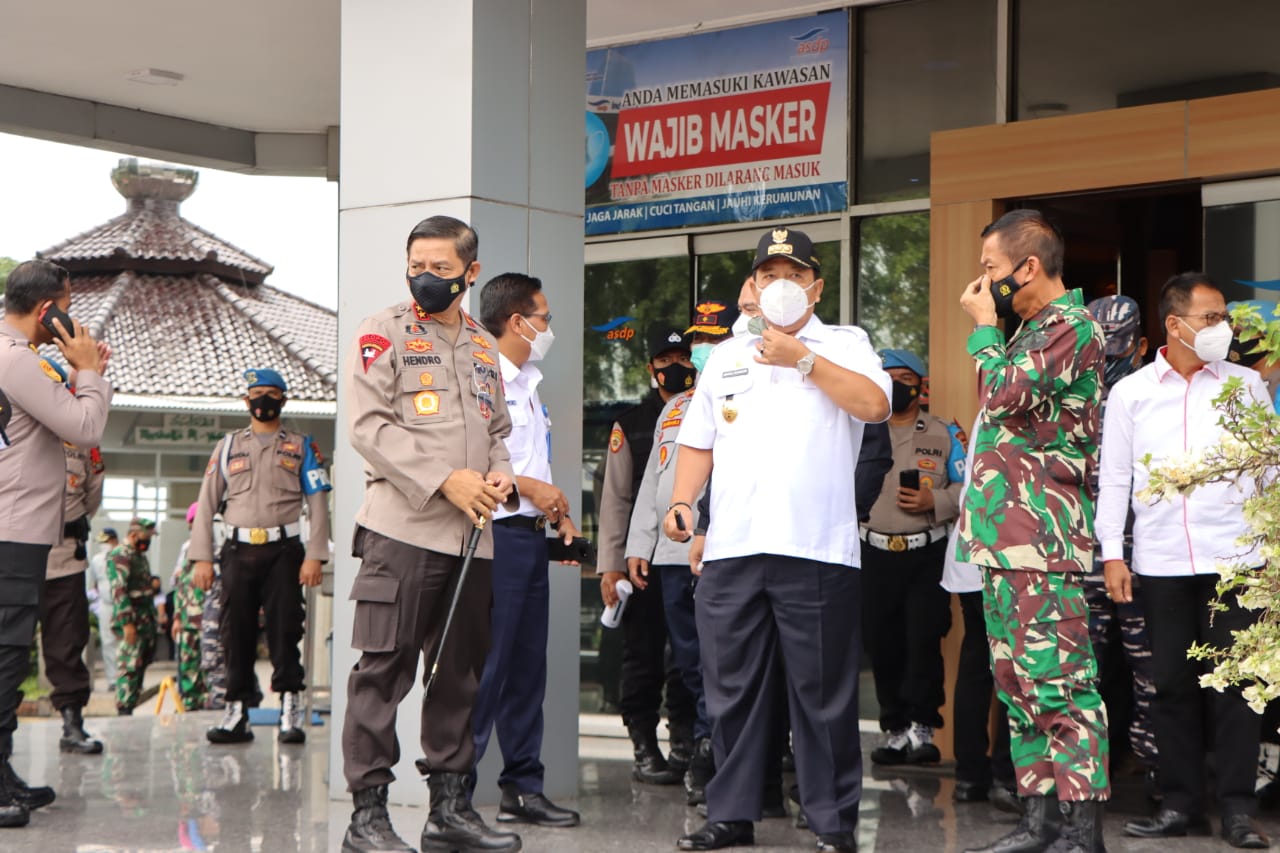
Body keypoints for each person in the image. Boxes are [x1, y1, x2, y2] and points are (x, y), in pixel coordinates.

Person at [664, 226, 891, 853]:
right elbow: (698, 440)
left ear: (815, 286)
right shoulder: (727, 357)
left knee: (820, 694)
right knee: (730, 689)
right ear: (753, 286)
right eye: (768, 276)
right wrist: (685, 503)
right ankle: (731, 812)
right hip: (733, 548)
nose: (779, 286)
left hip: (815, 549)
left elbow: (874, 406)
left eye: (792, 275)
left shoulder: (847, 345)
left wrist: (805, 361)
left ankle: (831, 822)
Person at [340, 215, 520, 853]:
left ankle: (448, 811)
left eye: (442, 269)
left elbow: (498, 433)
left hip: (471, 538)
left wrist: (498, 480)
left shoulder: (480, 343)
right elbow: (369, 427)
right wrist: (448, 479)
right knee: (383, 671)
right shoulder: (381, 332)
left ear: (470, 273)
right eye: (418, 265)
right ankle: (367, 818)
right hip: (403, 531)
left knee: (459, 677)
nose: (427, 278)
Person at [1101, 273, 1272, 850]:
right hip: (1161, 561)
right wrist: (1111, 554)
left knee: (1235, 687)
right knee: (1169, 684)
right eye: (1211, 318)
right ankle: (1179, 804)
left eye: (1224, 317)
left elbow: (1268, 472)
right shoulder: (1132, 392)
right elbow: (1116, 478)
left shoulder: (1247, 386)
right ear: (1174, 325)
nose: (1222, 328)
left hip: (1237, 561)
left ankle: (1238, 810)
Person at [956, 209, 1109, 853]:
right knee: (1017, 683)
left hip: (1043, 543)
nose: (982, 282)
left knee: (1062, 685)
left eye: (990, 268)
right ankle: (1038, 821)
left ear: (1028, 267)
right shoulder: (1026, 332)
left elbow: (1003, 394)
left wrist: (985, 330)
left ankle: (1081, 831)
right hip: (1003, 539)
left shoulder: (1072, 327)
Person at [0, 258, 111, 827]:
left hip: (11, 525)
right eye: (67, 305)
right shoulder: (19, 361)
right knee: (5, 657)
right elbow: (85, 428)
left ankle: (4, 772)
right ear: (48, 309)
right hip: (14, 529)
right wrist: (88, 371)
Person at [469, 272, 581, 828]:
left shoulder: (528, 384)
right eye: (545, 317)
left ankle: (522, 787)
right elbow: (471, 466)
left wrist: (551, 506)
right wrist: (532, 489)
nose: (548, 327)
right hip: (494, 539)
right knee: (487, 668)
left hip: (530, 538)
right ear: (518, 322)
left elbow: (530, 465)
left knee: (526, 668)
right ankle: (456, 792)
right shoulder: (481, 379)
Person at [625, 300, 739, 807]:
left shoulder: (748, 394)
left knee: (729, 661)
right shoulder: (676, 408)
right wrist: (637, 546)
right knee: (690, 662)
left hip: (726, 553)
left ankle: (732, 756)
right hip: (673, 559)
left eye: (714, 340)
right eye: (699, 341)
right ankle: (703, 749)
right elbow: (655, 482)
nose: (701, 350)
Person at [190, 367, 332, 745]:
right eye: (256, 394)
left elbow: (318, 503)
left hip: (284, 552)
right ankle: (237, 711)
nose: (262, 400)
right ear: (246, 400)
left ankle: (290, 710)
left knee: (286, 630)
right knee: (234, 632)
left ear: (283, 400)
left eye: (271, 393)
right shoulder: (227, 446)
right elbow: (205, 504)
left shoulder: (302, 446)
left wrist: (315, 554)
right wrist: (201, 557)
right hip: (237, 551)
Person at [597, 325, 698, 786]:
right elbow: (616, 499)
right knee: (642, 654)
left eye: (682, 360)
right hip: (642, 561)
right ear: (650, 368)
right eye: (665, 361)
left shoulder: (707, 411)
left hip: (690, 555)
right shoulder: (632, 422)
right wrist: (610, 564)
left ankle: (685, 743)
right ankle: (642, 744)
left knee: (687, 656)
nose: (675, 368)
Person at [862, 348, 965, 767]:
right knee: (881, 644)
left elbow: (970, 489)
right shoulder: (860, 432)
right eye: (888, 377)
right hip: (872, 553)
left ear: (921, 385)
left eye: (905, 377)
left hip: (926, 553)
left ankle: (924, 729)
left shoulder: (945, 434)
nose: (897, 384)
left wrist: (933, 499)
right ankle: (893, 730)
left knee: (923, 641)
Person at [1083, 295, 1158, 797]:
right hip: (1083, 559)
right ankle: (1082, 782)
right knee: (1077, 672)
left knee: (1153, 673)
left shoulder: (1155, 396)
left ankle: (1161, 780)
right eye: (1100, 353)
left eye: (1117, 352)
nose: (1108, 364)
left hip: (1147, 557)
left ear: (1141, 346)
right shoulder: (1071, 397)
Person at [38, 360, 106, 754]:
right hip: (14, 556)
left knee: (67, 643)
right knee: (8, 647)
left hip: (65, 556)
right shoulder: (8, 434)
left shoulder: (82, 444)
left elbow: (91, 497)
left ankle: (72, 723)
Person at [106, 518, 158, 715]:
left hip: (145, 621)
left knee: (139, 668)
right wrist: (127, 624)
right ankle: (124, 711)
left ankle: (131, 707)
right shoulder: (121, 554)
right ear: (134, 535)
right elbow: (119, 591)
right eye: (145, 537)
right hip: (132, 623)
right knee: (129, 668)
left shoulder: (139, 555)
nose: (147, 542)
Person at [171, 502, 207, 711]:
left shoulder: (218, 544)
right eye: (193, 522)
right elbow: (179, 584)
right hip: (187, 620)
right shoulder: (186, 548)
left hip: (210, 619)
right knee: (188, 668)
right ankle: (190, 706)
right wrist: (177, 617)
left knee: (212, 668)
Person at [86, 527, 121, 689]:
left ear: (114, 540)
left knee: (124, 641)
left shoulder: (122, 556)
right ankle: (112, 679)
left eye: (106, 541)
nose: (104, 545)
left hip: (122, 603)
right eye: (102, 542)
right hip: (106, 605)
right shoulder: (96, 560)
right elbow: (95, 583)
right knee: (108, 642)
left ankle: (125, 677)